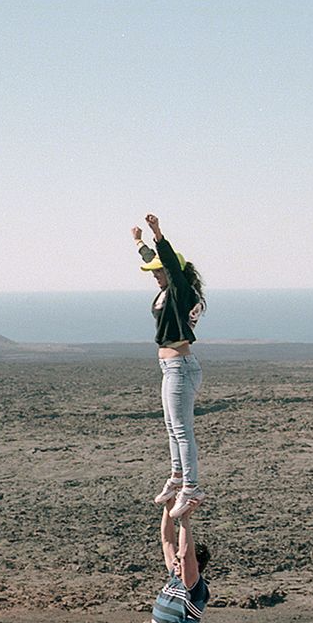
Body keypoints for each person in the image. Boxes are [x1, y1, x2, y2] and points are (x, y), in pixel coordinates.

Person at [132, 212, 207, 519]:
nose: (154, 274)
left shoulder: (180, 291)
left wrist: (157, 232)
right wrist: (139, 242)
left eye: (158, 271)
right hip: (171, 368)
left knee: (182, 430)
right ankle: (177, 477)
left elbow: (171, 266)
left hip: (181, 367)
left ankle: (191, 487)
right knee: (171, 429)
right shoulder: (167, 292)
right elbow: (158, 261)